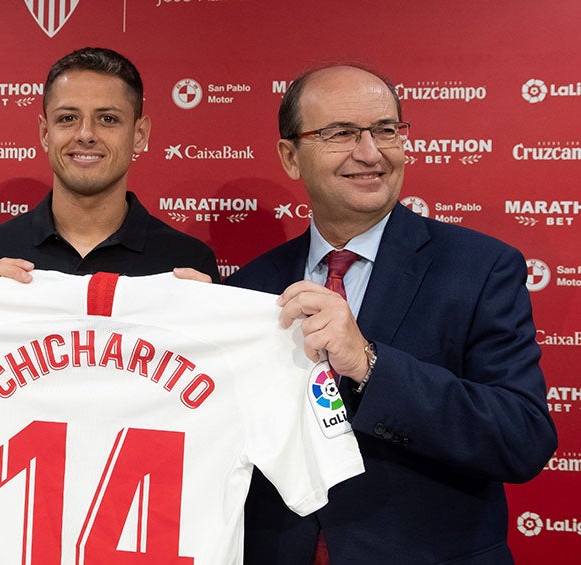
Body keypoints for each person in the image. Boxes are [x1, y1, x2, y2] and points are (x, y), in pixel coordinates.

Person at [225, 64, 557, 564]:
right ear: (290, 157)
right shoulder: (248, 288)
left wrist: (368, 363)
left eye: (386, 130)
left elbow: (521, 438)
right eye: (341, 133)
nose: (370, 152)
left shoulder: (482, 268)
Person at [0, 47, 220, 285]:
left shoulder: (188, 263)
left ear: (140, 135)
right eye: (68, 118)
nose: (85, 134)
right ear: (45, 133)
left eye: (108, 119)